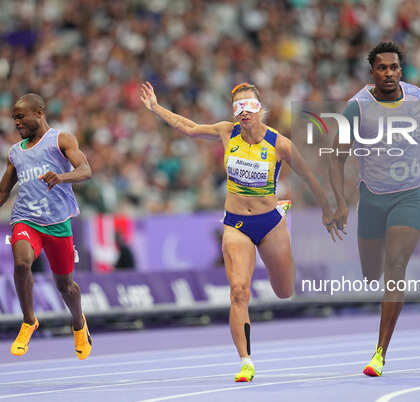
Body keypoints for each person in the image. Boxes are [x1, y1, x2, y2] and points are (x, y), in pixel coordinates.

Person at [139, 81, 336, 382]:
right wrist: (155, 107)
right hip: (236, 224)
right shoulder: (226, 132)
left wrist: (328, 208)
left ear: (260, 109)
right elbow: (189, 127)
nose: (244, 112)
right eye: (238, 107)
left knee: (285, 291)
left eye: (249, 106)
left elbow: (309, 177)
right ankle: (246, 361)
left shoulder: (279, 143)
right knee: (239, 291)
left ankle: (279, 210)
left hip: (270, 223)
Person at [329, 42, 420, 377]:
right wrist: (341, 200)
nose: (389, 73)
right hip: (372, 197)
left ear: (401, 71)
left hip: (409, 195)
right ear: (372, 72)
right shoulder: (357, 107)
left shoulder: (417, 96)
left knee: (396, 266)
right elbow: (336, 157)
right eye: (382, 68)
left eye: (394, 67)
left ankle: (379, 353)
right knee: (370, 273)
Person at [0, 93, 93, 359]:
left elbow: (86, 170)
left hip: (57, 223)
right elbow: (3, 191)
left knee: (66, 286)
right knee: (21, 263)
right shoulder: (15, 153)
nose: (16, 123)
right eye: (14, 119)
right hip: (26, 219)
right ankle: (29, 320)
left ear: (39, 113)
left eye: (21, 117)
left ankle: (78, 323)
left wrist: (61, 177)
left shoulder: (61, 139)